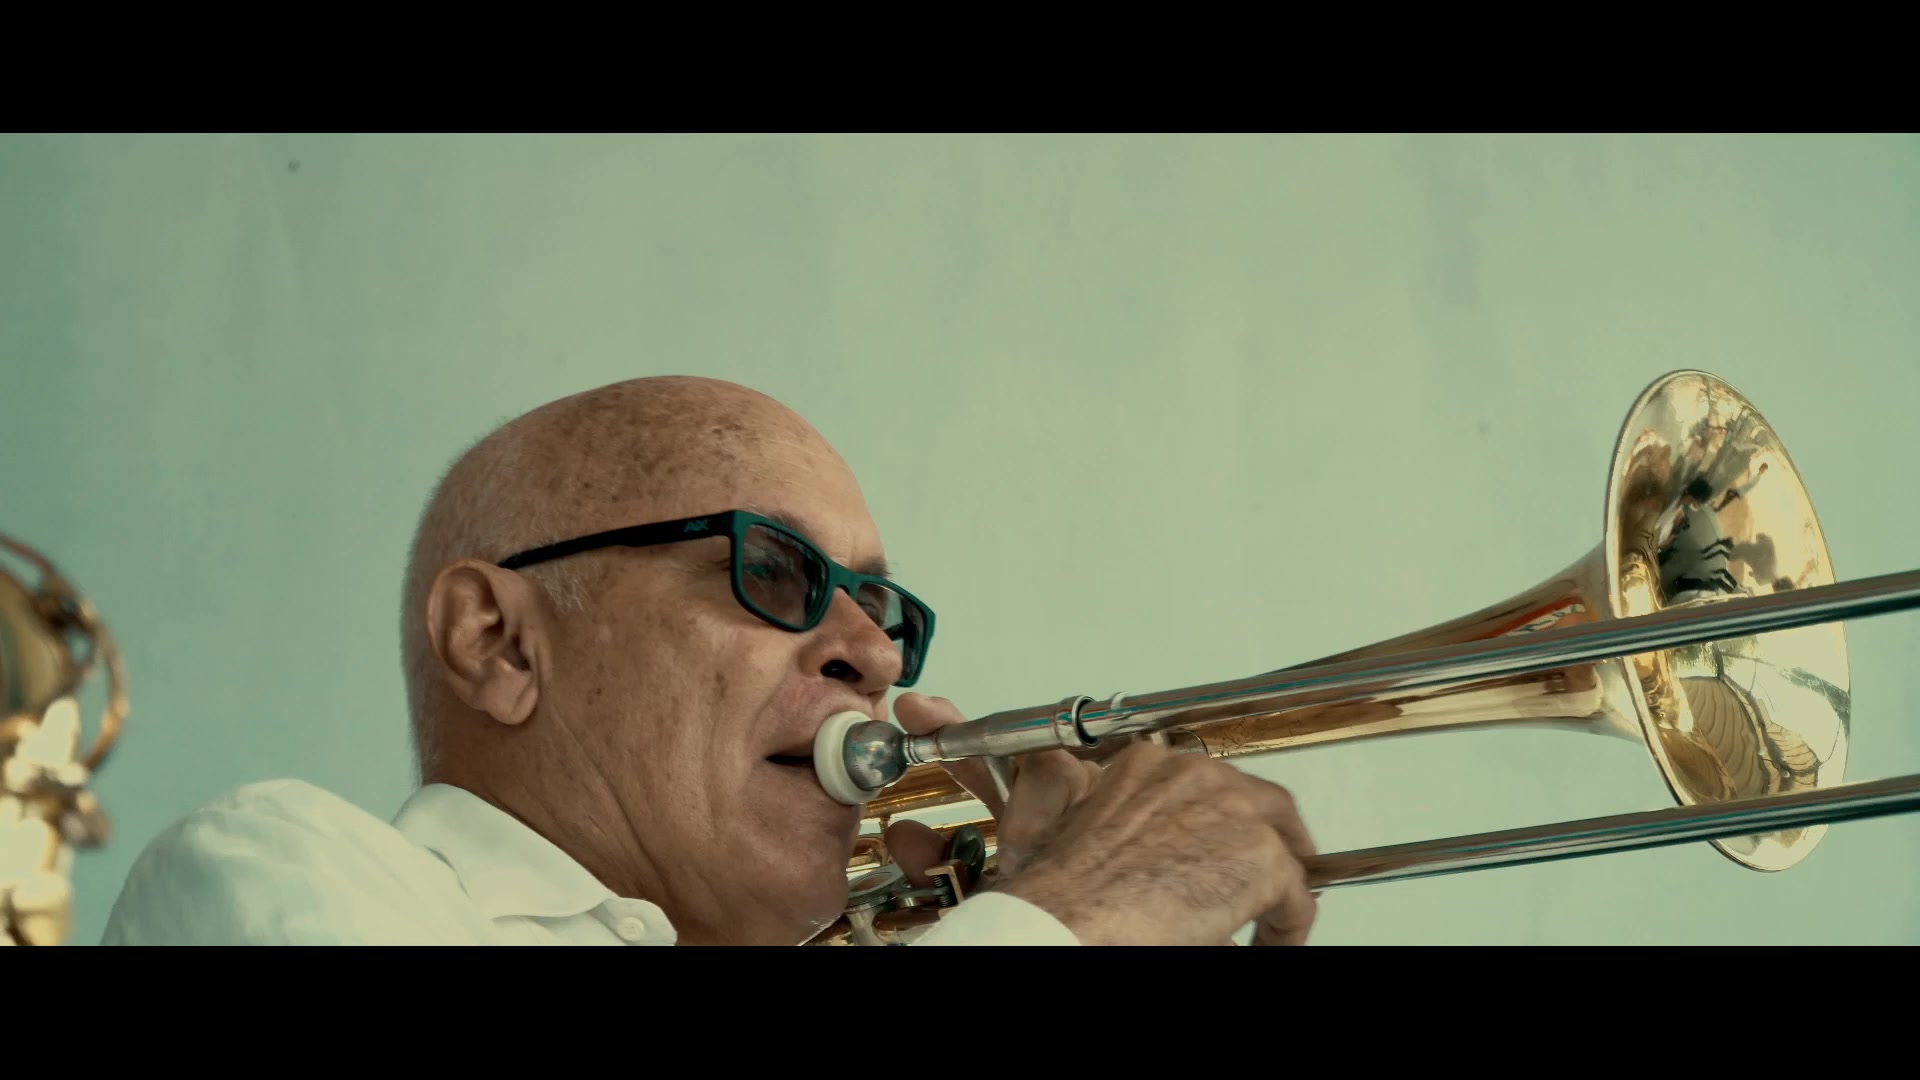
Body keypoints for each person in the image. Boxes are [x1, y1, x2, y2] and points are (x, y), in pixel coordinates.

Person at [100, 376, 1319, 946]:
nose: (874, 654)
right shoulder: (268, 869)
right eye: (774, 572)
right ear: (498, 643)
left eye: (883, 608)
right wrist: (1070, 921)